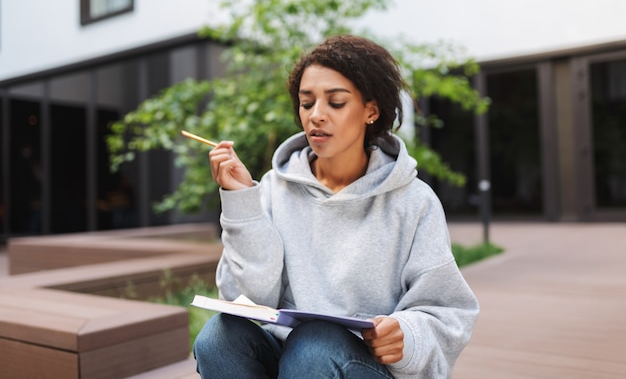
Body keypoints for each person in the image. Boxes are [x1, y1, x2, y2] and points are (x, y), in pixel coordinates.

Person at [193, 35, 479, 379]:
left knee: (314, 347)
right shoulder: (271, 189)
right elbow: (249, 299)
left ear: (370, 111)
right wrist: (241, 201)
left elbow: (448, 310)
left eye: (336, 103)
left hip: (361, 367)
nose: (316, 116)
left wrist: (407, 335)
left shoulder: (413, 201)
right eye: (306, 103)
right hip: (290, 356)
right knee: (218, 337)